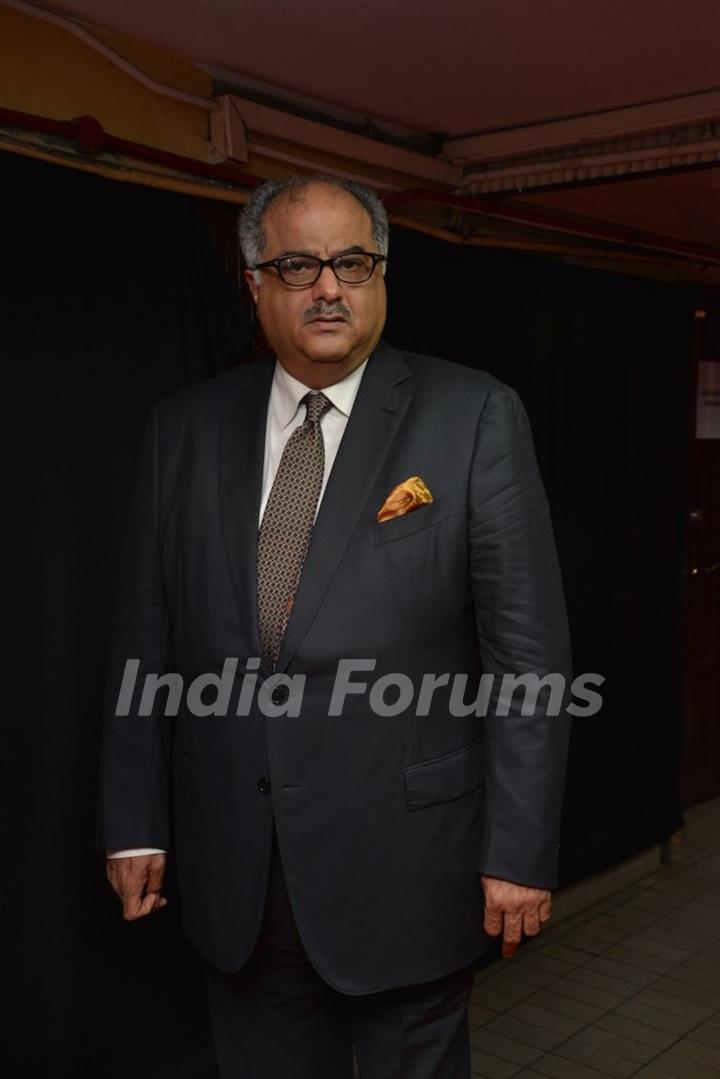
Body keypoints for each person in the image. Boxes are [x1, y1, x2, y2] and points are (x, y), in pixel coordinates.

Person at [98, 173, 572, 1078]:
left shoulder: (473, 416)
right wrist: (134, 823)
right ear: (253, 283)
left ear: (382, 275)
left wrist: (519, 851)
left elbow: (529, 658)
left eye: (352, 262)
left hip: (413, 869)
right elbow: (142, 642)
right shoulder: (183, 431)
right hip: (239, 873)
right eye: (297, 264)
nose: (328, 287)